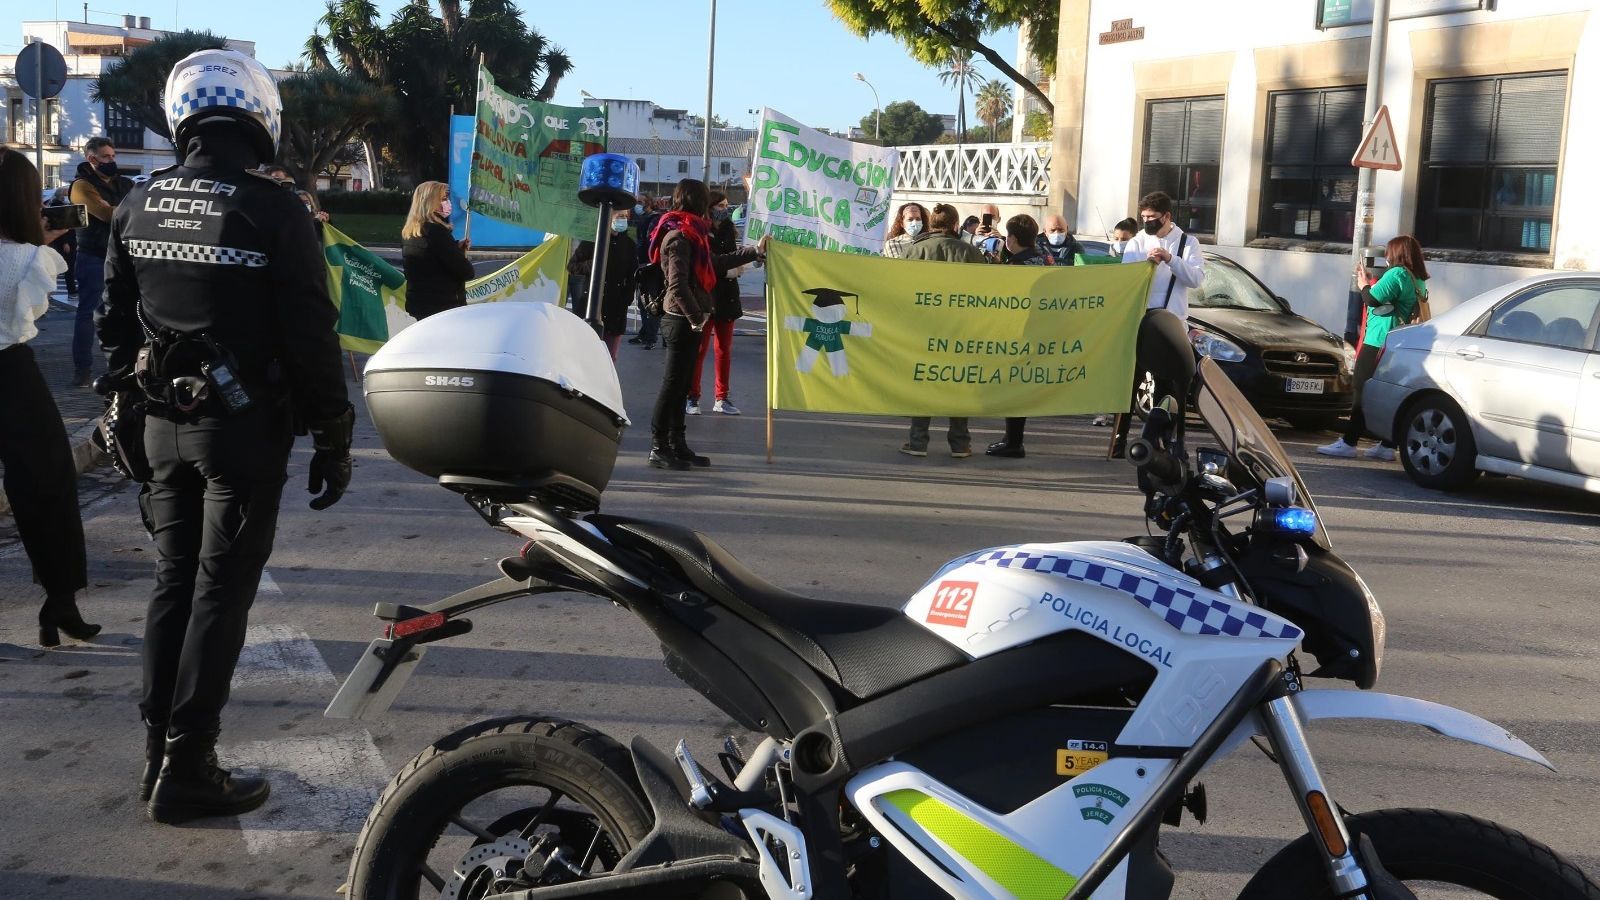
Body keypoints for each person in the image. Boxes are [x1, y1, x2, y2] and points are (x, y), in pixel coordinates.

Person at [96, 49, 354, 824]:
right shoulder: (272, 209)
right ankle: (189, 764)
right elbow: (312, 330)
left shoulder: (135, 205)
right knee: (220, 590)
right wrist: (334, 433)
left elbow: (112, 331)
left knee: (174, 582)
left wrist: (124, 409)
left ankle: (156, 753)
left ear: (182, 116)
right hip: (239, 431)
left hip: (158, 430)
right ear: (259, 115)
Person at [0, 146, 99, 648]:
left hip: (13, 371)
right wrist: (37, 242)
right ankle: (60, 601)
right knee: (47, 484)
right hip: (10, 371)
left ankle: (60, 605)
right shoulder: (28, 259)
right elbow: (27, 317)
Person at [648, 179, 765, 470]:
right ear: (697, 203)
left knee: (682, 385)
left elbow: (716, 261)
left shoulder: (694, 236)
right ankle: (659, 446)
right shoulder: (679, 236)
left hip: (689, 319)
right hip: (680, 320)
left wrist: (753, 251)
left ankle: (678, 443)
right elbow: (677, 286)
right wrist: (697, 319)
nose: (714, 211)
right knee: (672, 385)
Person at [1108, 192, 1206, 456]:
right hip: (1141, 320)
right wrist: (1145, 265)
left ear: (1167, 216)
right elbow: (1126, 280)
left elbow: (1196, 279)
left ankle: (1162, 438)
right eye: (1144, 218)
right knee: (1131, 382)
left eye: (1152, 218)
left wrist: (1171, 259)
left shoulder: (1188, 242)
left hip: (1171, 322)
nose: (1148, 222)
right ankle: (1119, 439)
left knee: (1167, 385)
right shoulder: (1138, 242)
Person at [1318, 235, 1428, 462]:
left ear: (1396, 254)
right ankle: (1387, 444)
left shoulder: (1397, 273)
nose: (1386, 257)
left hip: (1378, 340)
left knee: (1361, 388)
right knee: (1390, 392)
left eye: (1388, 253)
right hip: (1400, 341)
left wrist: (1363, 285)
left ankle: (1349, 442)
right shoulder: (1418, 279)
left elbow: (1373, 299)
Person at [900, 203, 987, 458]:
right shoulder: (970, 252)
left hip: (923, 328)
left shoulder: (914, 251)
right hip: (962, 330)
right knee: (960, 384)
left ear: (931, 224)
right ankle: (960, 443)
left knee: (924, 382)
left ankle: (918, 442)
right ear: (955, 225)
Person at [69, 136, 134, 386]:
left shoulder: (125, 183)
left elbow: (134, 211)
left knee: (126, 312)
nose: (112, 160)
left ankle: (122, 366)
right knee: (88, 313)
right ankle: (82, 370)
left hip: (121, 256)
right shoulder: (81, 186)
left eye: (113, 156)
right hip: (93, 256)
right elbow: (107, 214)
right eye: (106, 156)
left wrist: (114, 208)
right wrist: (117, 209)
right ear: (92, 158)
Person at [987, 214, 1054, 459]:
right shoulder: (1046, 258)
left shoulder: (1017, 266)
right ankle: (1011, 437)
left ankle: (1014, 442)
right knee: (1021, 384)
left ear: (1012, 238)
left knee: (1015, 386)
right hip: (1043, 329)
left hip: (1020, 333)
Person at [687, 191, 749, 416]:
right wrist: (731, 268)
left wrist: (745, 261)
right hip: (706, 296)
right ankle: (692, 397)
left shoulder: (728, 228)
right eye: (720, 205)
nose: (725, 208)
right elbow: (709, 263)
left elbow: (734, 256)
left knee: (724, 349)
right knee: (700, 349)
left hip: (727, 296)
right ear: (709, 206)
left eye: (726, 204)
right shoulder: (701, 230)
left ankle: (721, 398)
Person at [567, 208, 639, 359]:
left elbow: (632, 275)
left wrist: (627, 297)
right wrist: (593, 264)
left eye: (626, 216)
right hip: (592, 305)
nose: (623, 220)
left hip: (616, 308)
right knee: (586, 354)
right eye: (620, 216)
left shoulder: (628, 244)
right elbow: (572, 266)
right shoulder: (592, 241)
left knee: (609, 356)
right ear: (608, 218)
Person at [401, 181, 474, 321]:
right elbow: (466, 271)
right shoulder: (436, 232)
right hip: (443, 308)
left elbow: (428, 258)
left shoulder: (410, 232)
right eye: (443, 199)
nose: (447, 203)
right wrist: (457, 252)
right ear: (430, 202)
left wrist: (454, 246)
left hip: (420, 304)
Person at [629, 196, 664, 348]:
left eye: (641, 202)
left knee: (650, 302)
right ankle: (647, 334)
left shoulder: (654, 219)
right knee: (644, 302)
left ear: (649, 204)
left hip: (651, 267)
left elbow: (649, 243)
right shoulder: (644, 219)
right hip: (645, 266)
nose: (638, 205)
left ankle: (650, 337)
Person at [46, 186, 78, 298]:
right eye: (66, 193)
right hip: (65, 241)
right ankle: (71, 290)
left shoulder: (58, 205)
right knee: (68, 266)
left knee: (68, 265)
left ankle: (71, 289)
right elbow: (62, 226)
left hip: (67, 240)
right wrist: (65, 242)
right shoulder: (57, 206)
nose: (68, 196)